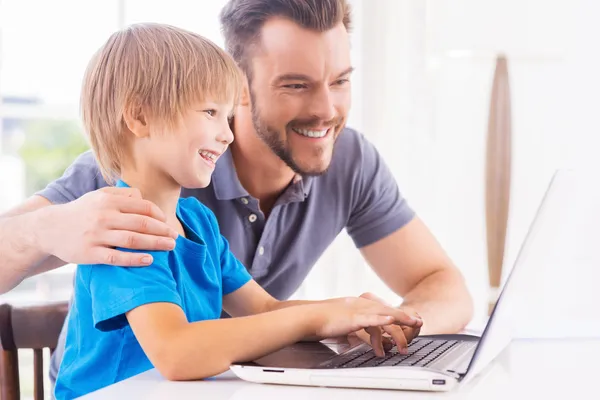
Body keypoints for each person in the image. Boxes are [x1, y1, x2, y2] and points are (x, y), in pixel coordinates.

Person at [0, 0, 473, 388]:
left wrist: (351, 314)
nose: (225, 134)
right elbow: (177, 353)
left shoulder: (197, 224)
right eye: (209, 112)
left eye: (340, 81)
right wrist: (316, 319)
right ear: (139, 117)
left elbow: (265, 308)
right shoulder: (118, 225)